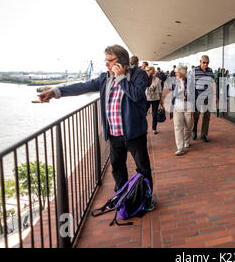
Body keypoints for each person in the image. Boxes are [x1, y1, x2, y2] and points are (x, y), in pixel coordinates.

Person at [38, 44, 154, 195]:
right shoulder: (105, 78)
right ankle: (120, 198)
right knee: (118, 168)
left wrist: (120, 78)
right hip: (114, 133)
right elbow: (83, 86)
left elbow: (136, 95)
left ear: (121, 61)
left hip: (134, 133)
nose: (106, 64)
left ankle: (146, 199)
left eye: (109, 60)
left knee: (142, 168)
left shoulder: (139, 75)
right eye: (106, 60)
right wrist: (56, 92)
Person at [171, 66, 194, 155]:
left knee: (188, 127)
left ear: (182, 73)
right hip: (177, 107)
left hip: (188, 107)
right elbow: (173, 94)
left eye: (177, 72)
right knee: (178, 127)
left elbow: (193, 96)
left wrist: (186, 98)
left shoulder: (190, 82)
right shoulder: (174, 82)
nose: (175, 73)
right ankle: (180, 148)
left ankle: (186, 140)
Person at [192, 55, 214, 142]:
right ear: (200, 61)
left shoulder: (210, 71)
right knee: (196, 116)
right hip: (197, 97)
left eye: (207, 63)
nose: (206, 64)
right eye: (204, 62)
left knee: (206, 116)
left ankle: (204, 134)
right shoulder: (194, 71)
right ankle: (194, 131)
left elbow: (213, 83)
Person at [145, 66, 163, 134]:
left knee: (154, 114)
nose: (147, 72)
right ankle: (144, 128)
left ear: (152, 71)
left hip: (156, 98)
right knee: (144, 113)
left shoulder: (157, 79)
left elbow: (160, 90)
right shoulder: (145, 79)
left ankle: (154, 128)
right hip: (147, 98)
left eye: (148, 70)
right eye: (146, 71)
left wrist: (161, 100)